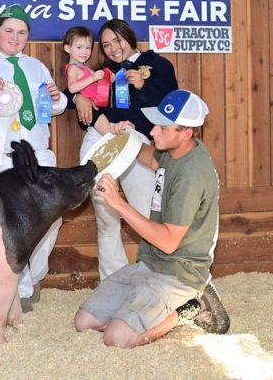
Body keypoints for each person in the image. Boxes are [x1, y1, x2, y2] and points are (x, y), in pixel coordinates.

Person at [74, 89, 230, 348]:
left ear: (186, 133)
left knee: (116, 338)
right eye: (155, 124)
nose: (154, 131)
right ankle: (143, 312)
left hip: (179, 273)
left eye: (162, 128)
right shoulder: (174, 151)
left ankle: (190, 307)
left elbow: (169, 243)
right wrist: (128, 138)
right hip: (150, 264)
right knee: (84, 322)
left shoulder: (191, 176)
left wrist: (119, 205)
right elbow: (147, 156)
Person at [0, 4, 67, 313]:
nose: (15, 37)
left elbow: (56, 108)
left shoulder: (36, 67)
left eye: (22, 32)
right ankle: (15, 288)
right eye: (9, 30)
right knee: (3, 225)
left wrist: (56, 96)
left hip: (38, 155)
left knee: (52, 218)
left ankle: (33, 277)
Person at [71, 19, 178, 281]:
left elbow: (170, 108)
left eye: (117, 40)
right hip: (105, 140)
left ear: (128, 36)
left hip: (139, 144)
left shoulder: (159, 65)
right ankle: (113, 281)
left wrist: (143, 87)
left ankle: (157, 278)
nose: (112, 48)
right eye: (106, 45)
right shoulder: (103, 72)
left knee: (146, 213)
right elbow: (72, 95)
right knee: (106, 217)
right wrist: (79, 97)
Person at [62, 26, 109, 136]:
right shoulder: (73, 68)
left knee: (109, 130)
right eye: (79, 47)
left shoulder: (85, 68)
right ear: (68, 49)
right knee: (109, 134)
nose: (84, 52)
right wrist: (93, 78)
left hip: (97, 105)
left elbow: (101, 80)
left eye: (88, 48)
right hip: (89, 111)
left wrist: (108, 76)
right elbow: (72, 88)